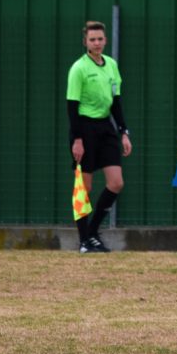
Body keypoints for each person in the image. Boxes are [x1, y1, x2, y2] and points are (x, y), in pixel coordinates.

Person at [67, 21, 132, 253]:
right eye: (92, 39)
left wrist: (124, 132)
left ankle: (93, 232)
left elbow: (116, 102)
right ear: (85, 42)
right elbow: (72, 106)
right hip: (84, 129)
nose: (97, 43)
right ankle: (84, 240)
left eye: (100, 39)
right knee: (84, 187)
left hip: (105, 128)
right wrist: (77, 139)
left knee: (116, 182)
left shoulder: (111, 65)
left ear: (105, 40)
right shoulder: (79, 68)